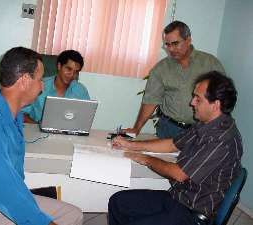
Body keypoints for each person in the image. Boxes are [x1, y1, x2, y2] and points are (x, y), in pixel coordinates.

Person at [0, 47, 83, 225]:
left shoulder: (13, 116)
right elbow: (4, 193)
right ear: (24, 81)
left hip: (7, 198)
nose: (42, 86)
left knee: (74, 215)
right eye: (39, 79)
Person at [109, 71, 242, 225]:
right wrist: (131, 145)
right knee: (118, 203)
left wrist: (145, 159)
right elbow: (173, 144)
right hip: (179, 197)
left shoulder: (222, 139)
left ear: (216, 105)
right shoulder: (205, 123)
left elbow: (179, 174)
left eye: (198, 99)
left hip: (194, 212)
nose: (192, 102)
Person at [125, 21, 225, 138]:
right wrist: (136, 128)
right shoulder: (161, 69)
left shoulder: (210, 63)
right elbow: (150, 101)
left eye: (175, 43)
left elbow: (223, 97)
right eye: (167, 44)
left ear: (188, 40)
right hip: (169, 129)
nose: (171, 49)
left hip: (201, 129)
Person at [22, 49, 90, 123]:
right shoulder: (39, 85)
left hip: (68, 132)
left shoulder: (81, 91)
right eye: (68, 69)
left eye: (76, 72)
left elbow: (85, 119)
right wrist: (37, 127)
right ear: (59, 66)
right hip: (37, 130)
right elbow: (21, 114)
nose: (72, 75)